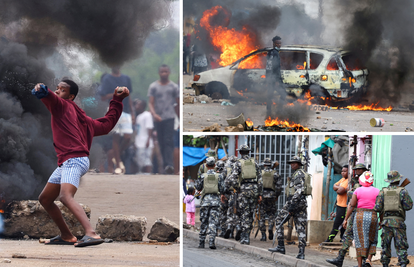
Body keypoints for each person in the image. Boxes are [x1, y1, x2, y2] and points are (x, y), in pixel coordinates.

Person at [33, 80, 129, 247]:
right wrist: (117, 101)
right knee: (45, 198)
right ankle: (66, 236)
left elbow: (49, 97)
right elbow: (107, 125)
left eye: (62, 90)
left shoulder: (61, 105)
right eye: (56, 89)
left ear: (70, 97)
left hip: (73, 160)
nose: (57, 92)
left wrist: (42, 90)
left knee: (65, 196)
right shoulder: (83, 119)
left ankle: (92, 233)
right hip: (67, 162)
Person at [326, 163, 368, 267]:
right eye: (356, 169)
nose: (358, 171)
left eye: (360, 169)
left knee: (364, 238)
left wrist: (351, 192)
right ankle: (340, 259)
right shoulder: (353, 180)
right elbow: (348, 193)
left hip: (363, 212)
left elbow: (348, 192)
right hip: (353, 211)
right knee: (347, 236)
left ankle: (365, 262)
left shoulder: (368, 181)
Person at [269, 156, 308, 260]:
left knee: (279, 220)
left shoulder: (298, 174)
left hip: (295, 202)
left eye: (294, 163)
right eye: (291, 163)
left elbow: (298, 191)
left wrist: (292, 206)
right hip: (302, 202)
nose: (292, 165)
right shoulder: (301, 173)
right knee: (301, 227)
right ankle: (301, 253)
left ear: (299, 164)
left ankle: (281, 246)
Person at [224, 145, 262, 245]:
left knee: (244, 213)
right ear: (248, 152)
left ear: (240, 152)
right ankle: (247, 235)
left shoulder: (238, 163)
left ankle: (244, 237)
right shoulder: (255, 163)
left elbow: (231, 179)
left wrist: (237, 188)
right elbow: (260, 180)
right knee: (250, 213)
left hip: (244, 190)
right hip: (254, 190)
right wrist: (260, 194)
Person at [99, 66, 134, 174]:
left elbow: (129, 96)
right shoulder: (107, 79)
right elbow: (103, 97)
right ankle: (118, 164)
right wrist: (115, 94)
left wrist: (133, 112)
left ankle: (115, 155)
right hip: (113, 109)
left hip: (126, 111)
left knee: (128, 137)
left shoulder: (126, 78)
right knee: (116, 137)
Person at [374, 171, 413, 267]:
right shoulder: (403, 191)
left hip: (386, 222)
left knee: (385, 245)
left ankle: (385, 264)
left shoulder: (383, 191)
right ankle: (403, 263)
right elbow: (408, 206)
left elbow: (377, 208)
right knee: (401, 245)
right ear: (398, 180)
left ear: (389, 181)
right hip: (399, 222)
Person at [343, 171, 379, 267]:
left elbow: (352, 205)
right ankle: (368, 259)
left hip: (360, 215)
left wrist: (346, 219)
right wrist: (382, 220)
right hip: (373, 216)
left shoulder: (357, 190)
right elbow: (381, 207)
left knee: (359, 240)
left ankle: (360, 265)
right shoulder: (377, 191)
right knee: (373, 238)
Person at [148, 64, 179, 174]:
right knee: (161, 142)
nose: (164, 74)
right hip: (158, 118)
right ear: (159, 73)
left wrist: (180, 120)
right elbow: (151, 103)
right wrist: (154, 114)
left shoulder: (174, 87)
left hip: (170, 117)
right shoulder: (153, 87)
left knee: (168, 141)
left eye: (166, 71)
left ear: (169, 72)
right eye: (162, 72)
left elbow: (178, 104)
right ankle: (165, 165)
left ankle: (169, 165)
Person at [195, 157, 225, 249]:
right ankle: (211, 242)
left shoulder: (203, 176)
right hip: (215, 202)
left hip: (205, 202)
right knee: (213, 222)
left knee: (204, 221)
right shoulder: (219, 176)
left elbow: (198, 186)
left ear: (207, 165)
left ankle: (201, 242)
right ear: (215, 165)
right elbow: (222, 188)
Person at [259, 158, 282, 242]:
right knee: (271, 214)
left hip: (262, 196)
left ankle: (263, 235)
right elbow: (279, 187)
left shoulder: (260, 173)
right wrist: (277, 195)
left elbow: (257, 185)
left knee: (262, 216)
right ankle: (270, 228)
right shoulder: (275, 173)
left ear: (264, 165)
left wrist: (258, 196)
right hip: (272, 195)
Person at [325, 165, 349, 242]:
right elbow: (334, 186)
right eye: (342, 171)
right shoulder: (342, 180)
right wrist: (339, 188)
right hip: (339, 205)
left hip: (344, 206)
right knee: (341, 224)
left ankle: (329, 239)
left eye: (345, 171)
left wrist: (339, 188)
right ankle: (342, 240)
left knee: (337, 223)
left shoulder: (348, 181)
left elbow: (340, 191)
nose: (342, 173)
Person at [265, 35, 286, 116]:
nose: (279, 45)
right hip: (274, 79)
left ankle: (269, 111)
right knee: (283, 94)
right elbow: (275, 68)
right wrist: (277, 80)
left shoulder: (270, 53)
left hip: (270, 78)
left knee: (269, 95)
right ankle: (279, 111)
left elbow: (267, 67)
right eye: (277, 43)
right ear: (273, 44)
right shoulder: (276, 54)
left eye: (280, 43)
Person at [134, 99, 153, 174]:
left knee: (147, 159)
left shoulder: (147, 115)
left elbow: (150, 127)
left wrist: (148, 139)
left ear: (142, 106)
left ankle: (148, 173)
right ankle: (141, 173)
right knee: (140, 159)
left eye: (138, 105)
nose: (136, 106)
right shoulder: (138, 116)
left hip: (145, 141)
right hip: (139, 141)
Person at [223, 155, 240, 239]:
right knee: (238, 213)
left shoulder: (230, 171)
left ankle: (229, 227)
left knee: (230, 212)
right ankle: (238, 227)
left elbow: (226, 183)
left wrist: (226, 192)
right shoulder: (241, 170)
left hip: (232, 195)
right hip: (240, 195)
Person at [215, 160, 228, 237]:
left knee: (220, 214)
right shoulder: (228, 173)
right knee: (228, 214)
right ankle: (229, 231)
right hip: (228, 196)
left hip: (220, 196)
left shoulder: (218, 175)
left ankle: (220, 231)